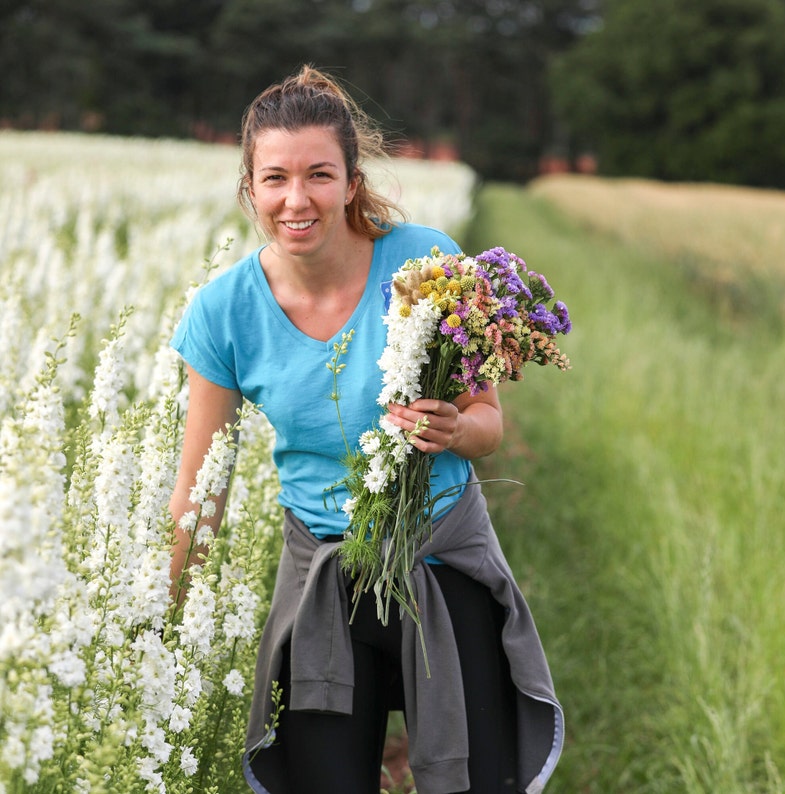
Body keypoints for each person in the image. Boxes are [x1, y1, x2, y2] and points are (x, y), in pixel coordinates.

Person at [169, 65, 563, 794]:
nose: (297, 199)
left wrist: (452, 429)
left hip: (442, 564)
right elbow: (200, 495)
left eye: (319, 175)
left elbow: (488, 426)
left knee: (476, 781)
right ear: (249, 188)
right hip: (322, 581)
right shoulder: (223, 313)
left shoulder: (424, 259)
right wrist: (160, 619)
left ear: (351, 181)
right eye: (275, 178)